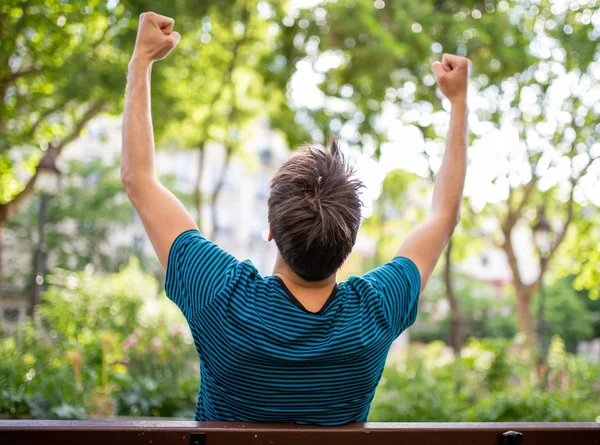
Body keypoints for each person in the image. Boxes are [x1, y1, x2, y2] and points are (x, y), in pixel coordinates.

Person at [121, 12, 470, 425]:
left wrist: (141, 60)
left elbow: (138, 179)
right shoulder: (373, 311)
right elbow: (444, 216)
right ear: (349, 241)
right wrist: (459, 102)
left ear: (270, 230)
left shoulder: (223, 298)